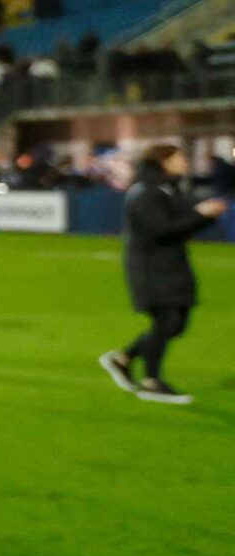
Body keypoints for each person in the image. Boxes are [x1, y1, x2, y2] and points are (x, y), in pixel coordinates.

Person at [99, 143, 225, 404]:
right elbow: (161, 230)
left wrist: (205, 215)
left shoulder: (167, 189)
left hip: (170, 264)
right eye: (179, 158)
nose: (185, 162)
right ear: (164, 162)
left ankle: (123, 359)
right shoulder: (146, 192)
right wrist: (200, 214)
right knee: (168, 320)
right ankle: (151, 381)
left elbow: (179, 226)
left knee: (175, 324)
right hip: (150, 267)